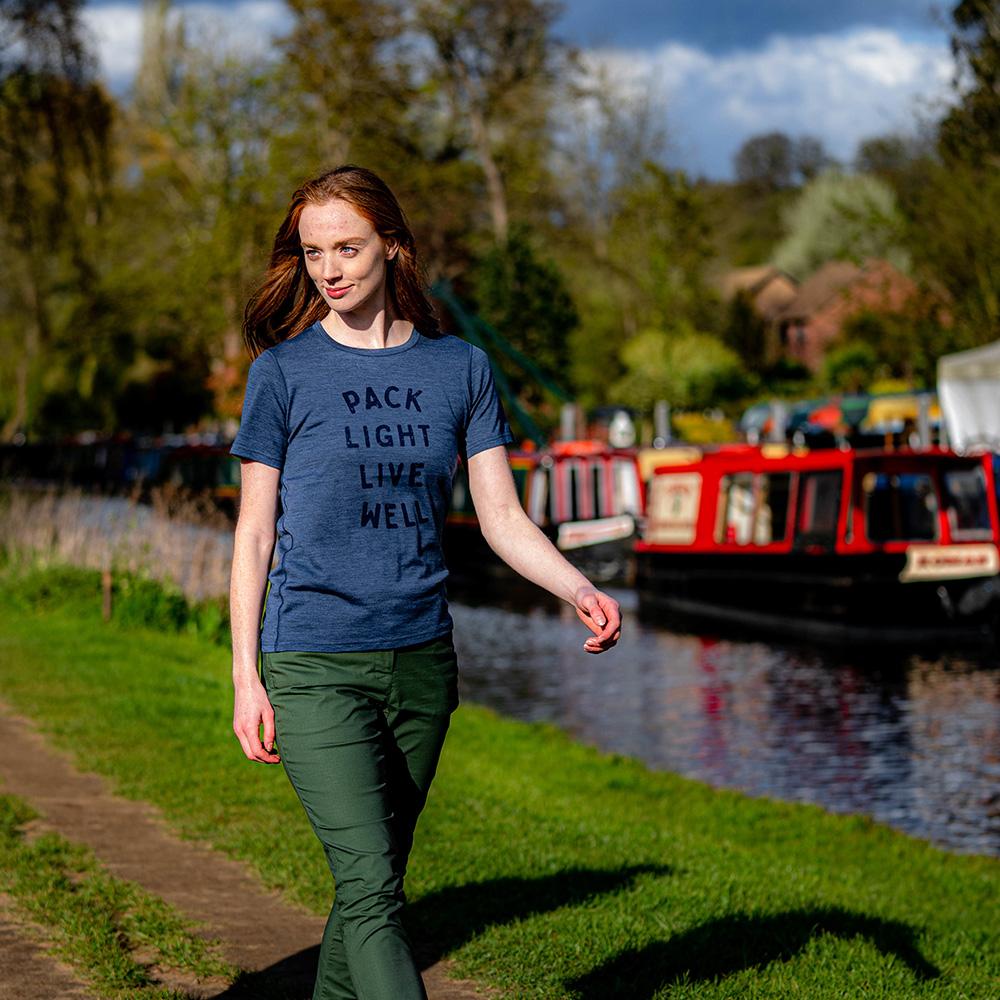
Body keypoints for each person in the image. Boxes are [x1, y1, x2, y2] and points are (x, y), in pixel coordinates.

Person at [228, 164, 621, 1000]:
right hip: (313, 663)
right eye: (313, 253)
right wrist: (244, 676)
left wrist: (577, 588)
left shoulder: (460, 369)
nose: (328, 270)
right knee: (373, 890)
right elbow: (254, 534)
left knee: (369, 888)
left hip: (421, 666)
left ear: (394, 248)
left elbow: (502, 516)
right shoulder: (284, 375)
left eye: (347, 248)